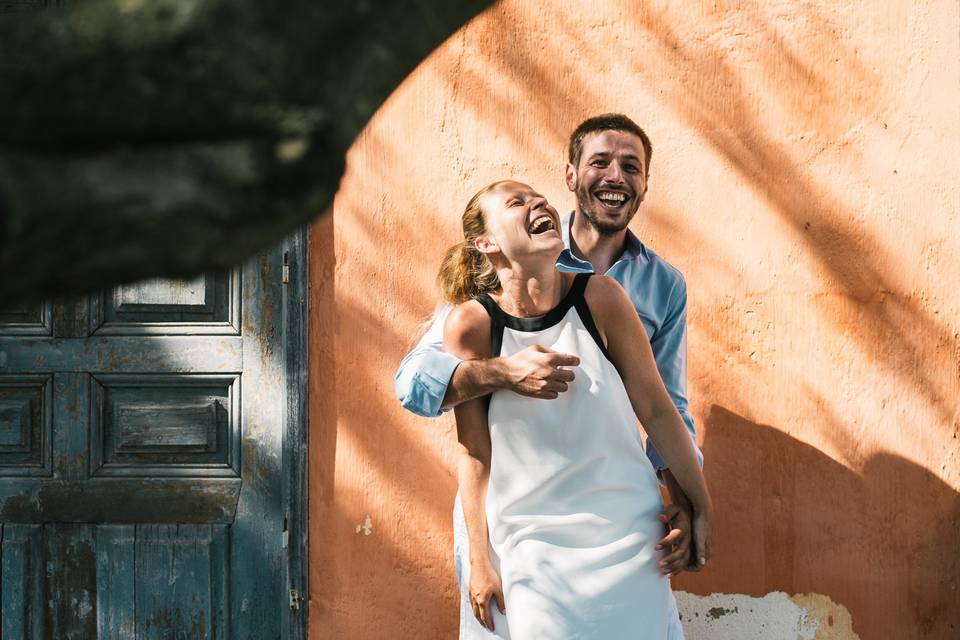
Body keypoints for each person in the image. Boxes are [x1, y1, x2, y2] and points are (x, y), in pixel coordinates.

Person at [394, 114, 705, 638]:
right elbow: (417, 384)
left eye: (632, 166)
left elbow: (665, 405)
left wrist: (689, 503)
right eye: (599, 162)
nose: (615, 176)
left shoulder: (660, 285)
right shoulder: (506, 268)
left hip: (614, 517)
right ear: (571, 176)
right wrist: (501, 372)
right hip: (519, 521)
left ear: (645, 184)